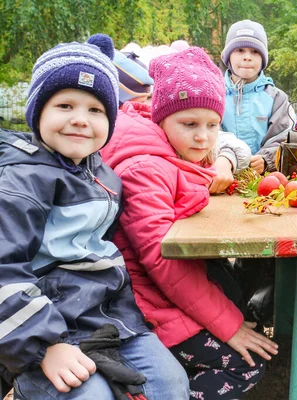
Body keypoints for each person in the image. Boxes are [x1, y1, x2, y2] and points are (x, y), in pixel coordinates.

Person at [0, 34, 189, 399]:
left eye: (95, 110)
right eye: (65, 106)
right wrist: (44, 347)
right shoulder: (20, 180)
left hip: (105, 321)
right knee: (91, 395)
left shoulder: (103, 176)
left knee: (169, 382)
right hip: (41, 326)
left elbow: (104, 255)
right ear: (37, 111)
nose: (80, 120)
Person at [101, 46, 278, 400]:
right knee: (248, 363)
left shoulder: (166, 154)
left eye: (213, 125)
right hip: (146, 304)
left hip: (158, 291)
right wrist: (228, 327)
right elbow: (164, 262)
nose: (203, 137)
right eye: (190, 124)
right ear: (160, 118)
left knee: (232, 289)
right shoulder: (146, 170)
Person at [221, 20, 294, 174]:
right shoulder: (215, 94)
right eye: (240, 50)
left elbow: (284, 137)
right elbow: (210, 134)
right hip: (221, 174)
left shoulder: (277, 99)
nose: (247, 57)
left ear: (263, 59)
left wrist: (267, 159)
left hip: (264, 180)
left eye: (255, 51)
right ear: (228, 57)